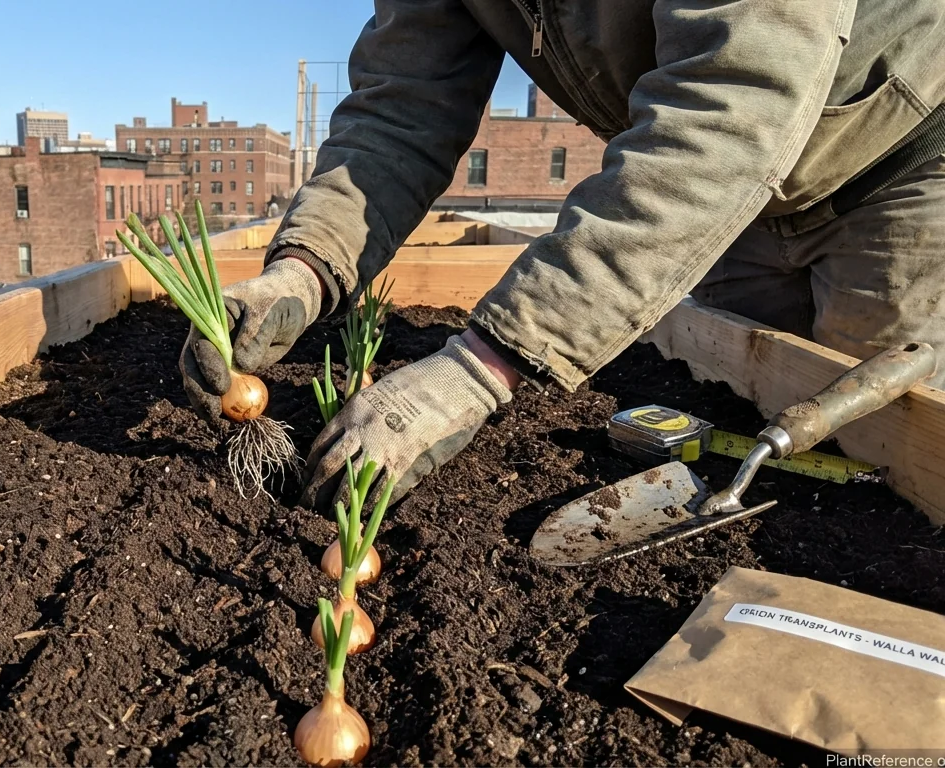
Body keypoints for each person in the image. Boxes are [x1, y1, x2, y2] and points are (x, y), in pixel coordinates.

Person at [181, 0, 945, 514]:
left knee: (888, 469)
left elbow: (734, 97)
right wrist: (308, 265)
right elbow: (399, 107)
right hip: (730, 201)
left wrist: (483, 364)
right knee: (749, 419)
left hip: (901, 163)